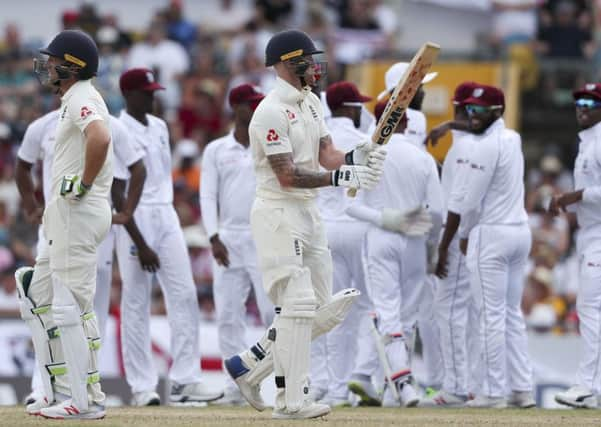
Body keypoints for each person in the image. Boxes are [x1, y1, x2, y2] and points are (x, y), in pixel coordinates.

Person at [223, 29, 385, 419]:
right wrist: (339, 179)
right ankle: (291, 401)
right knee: (295, 307)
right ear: (285, 64)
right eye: (306, 60)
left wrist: (356, 156)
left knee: (321, 309)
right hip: (278, 211)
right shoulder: (270, 111)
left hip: (308, 212)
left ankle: (250, 365)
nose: (314, 67)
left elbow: (327, 154)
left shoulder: (312, 102)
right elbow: (286, 175)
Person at [15, 107, 146, 406]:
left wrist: (125, 212)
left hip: (89, 225)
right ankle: (45, 387)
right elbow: (22, 166)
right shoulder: (43, 125)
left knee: (89, 311)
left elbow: (136, 168)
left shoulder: (110, 125)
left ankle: (86, 387)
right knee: (45, 306)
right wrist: (30, 206)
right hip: (53, 223)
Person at [15, 29, 112, 419]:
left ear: (71, 66)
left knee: (71, 306)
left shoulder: (83, 97)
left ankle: (84, 401)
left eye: (54, 61)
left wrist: (84, 182)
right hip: (64, 215)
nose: (47, 67)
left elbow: (101, 138)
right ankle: (57, 391)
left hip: (78, 212)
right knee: (37, 296)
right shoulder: (73, 99)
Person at [114, 68, 223, 406]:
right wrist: (140, 242)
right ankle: (142, 386)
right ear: (129, 94)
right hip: (135, 217)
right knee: (135, 299)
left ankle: (185, 381)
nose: (153, 97)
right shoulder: (117, 129)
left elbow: (161, 179)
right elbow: (117, 193)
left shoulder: (159, 126)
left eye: (154, 91)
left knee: (185, 293)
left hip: (166, 213)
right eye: (147, 92)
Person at [436, 84, 535, 408]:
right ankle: (521, 389)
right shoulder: (512, 138)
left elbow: (465, 203)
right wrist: (453, 125)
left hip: (491, 234)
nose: (472, 116)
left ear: (497, 111)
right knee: (510, 314)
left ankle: (493, 392)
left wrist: (451, 241)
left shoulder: (482, 148)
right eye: (469, 111)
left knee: (490, 316)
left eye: (479, 111)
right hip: (519, 232)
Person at [347, 99, 443, 408]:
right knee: (408, 315)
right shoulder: (422, 158)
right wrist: (432, 248)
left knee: (387, 312)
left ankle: (399, 382)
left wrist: (384, 218)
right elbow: (438, 212)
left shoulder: (367, 153)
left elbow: (350, 205)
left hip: (381, 235)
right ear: (405, 123)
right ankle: (401, 384)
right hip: (414, 237)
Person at [200, 83, 274, 405]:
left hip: (263, 236)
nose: (257, 108)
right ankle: (235, 387)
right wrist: (213, 236)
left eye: (259, 102)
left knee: (273, 312)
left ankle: (283, 382)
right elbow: (207, 194)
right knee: (229, 315)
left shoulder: (270, 145)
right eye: (251, 103)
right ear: (236, 107)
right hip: (228, 238)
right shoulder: (216, 150)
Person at [308, 81, 376, 407]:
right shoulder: (365, 141)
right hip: (359, 226)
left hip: (325, 229)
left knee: (333, 310)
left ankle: (335, 387)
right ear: (351, 108)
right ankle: (360, 378)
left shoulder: (316, 142)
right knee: (366, 309)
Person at [419, 82, 477, 408]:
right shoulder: (496, 142)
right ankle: (469, 384)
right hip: (478, 237)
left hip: (459, 238)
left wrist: (443, 247)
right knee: (472, 314)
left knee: (449, 312)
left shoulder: (461, 150)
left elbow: (455, 206)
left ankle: (455, 387)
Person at [553, 83, 601, 409]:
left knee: (590, 308)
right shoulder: (586, 142)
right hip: (589, 234)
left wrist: (576, 196)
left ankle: (587, 386)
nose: (581, 107)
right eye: (578, 102)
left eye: (589, 102)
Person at [376, 61, 438, 149]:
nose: (423, 93)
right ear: (404, 89)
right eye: (419, 87)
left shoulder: (379, 117)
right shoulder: (416, 117)